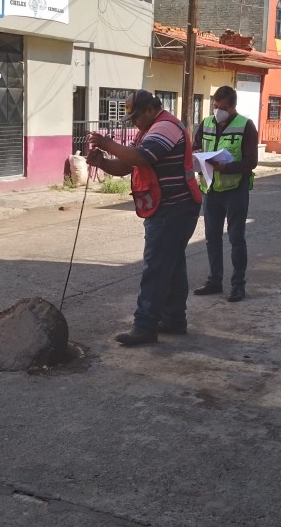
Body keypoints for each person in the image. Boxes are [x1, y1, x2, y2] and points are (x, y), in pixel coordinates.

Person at [86, 90, 202, 346]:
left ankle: (145, 326)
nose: (135, 122)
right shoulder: (149, 132)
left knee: (156, 268)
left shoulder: (165, 128)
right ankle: (173, 319)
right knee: (172, 267)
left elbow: (141, 157)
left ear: (151, 109)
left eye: (137, 117)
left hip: (173, 209)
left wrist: (106, 144)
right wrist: (103, 162)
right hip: (172, 208)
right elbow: (128, 166)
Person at [191, 86, 258, 302]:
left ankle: (238, 286)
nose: (218, 110)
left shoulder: (245, 126)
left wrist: (226, 168)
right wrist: (199, 157)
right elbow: (196, 148)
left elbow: (251, 161)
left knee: (236, 238)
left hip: (235, 190)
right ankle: (214, 281)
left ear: (233, 107)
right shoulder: (206, 123)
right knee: (212, 238)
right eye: (216, 106)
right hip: (210, 189)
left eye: (223, 107)